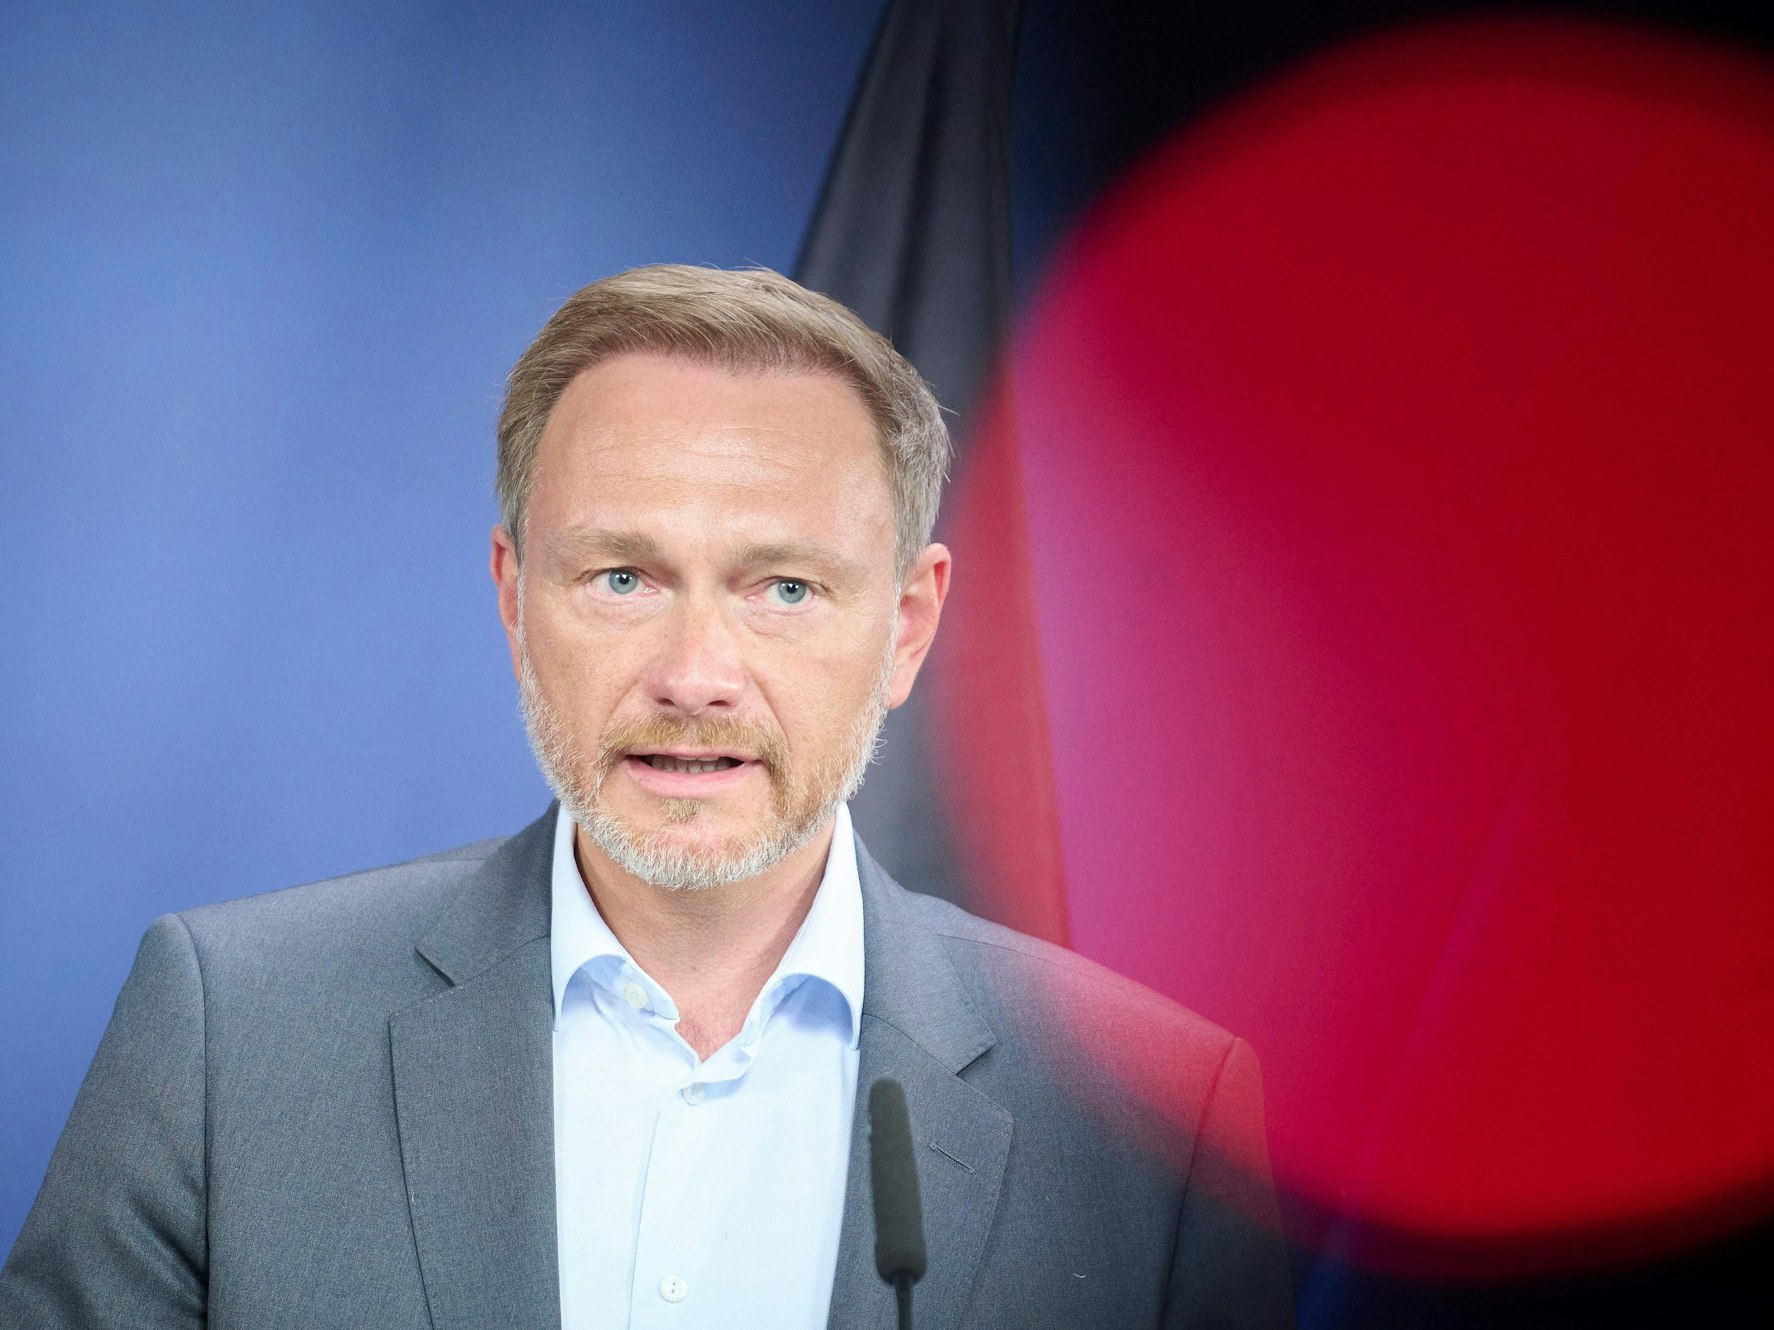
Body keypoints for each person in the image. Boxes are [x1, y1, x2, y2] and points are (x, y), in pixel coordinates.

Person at [0, 265, 1294, 1328]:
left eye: (783, 588)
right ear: (513, 597)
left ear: (906, 627)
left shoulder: (1153, 1129)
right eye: (621, 576)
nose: (694, 675)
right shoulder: (230, 1031)